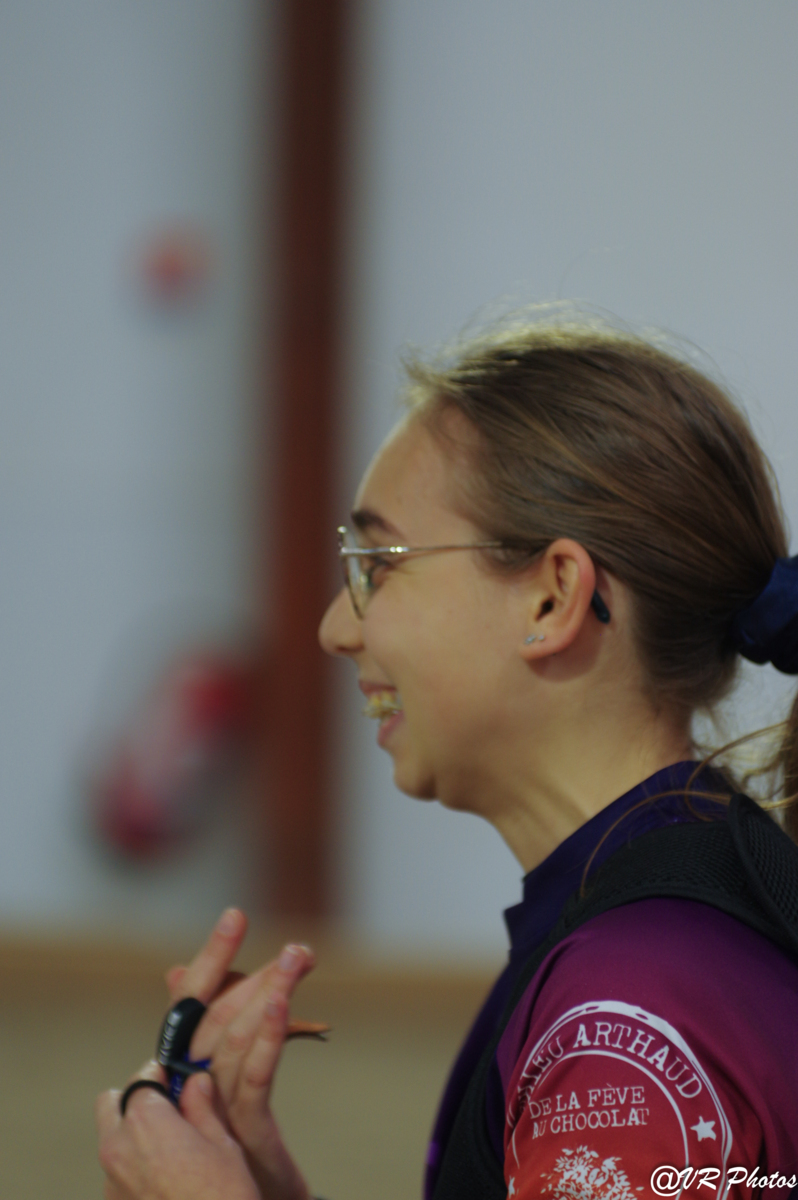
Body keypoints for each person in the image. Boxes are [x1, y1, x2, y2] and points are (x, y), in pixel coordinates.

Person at [96, 318, 798, 1200]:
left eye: (376, 564)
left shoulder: (630, 998)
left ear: (553, 598)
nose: (336, 628)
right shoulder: (645, 922)